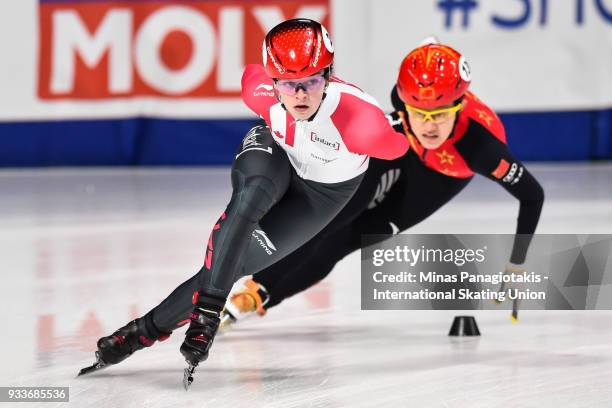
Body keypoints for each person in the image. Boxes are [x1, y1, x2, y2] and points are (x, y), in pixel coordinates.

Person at [78, 19, 409, 387]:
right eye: (287, 83)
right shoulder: (261, 92)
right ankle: (208, 315)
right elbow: (251, 75)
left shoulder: (360, 124)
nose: (299, 95)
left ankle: (140, 333)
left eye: (311, 81)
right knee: (250, 195)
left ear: (329, 76)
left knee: (230, 264)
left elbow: (399, 147)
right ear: (273, 82)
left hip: (323, 194)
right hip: (278, 156)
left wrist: (389, 126)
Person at [222, 40, 545, 326]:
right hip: (401, 145)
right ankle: (237, 276)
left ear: (458, 107)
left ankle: (258, 295)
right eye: (419, 113)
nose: (429, 127)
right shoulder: (405, 106)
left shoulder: (481, 149)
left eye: (441, 115)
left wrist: (516, 264)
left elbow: (533, 196)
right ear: (404, 104)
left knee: (348, 239)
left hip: (441, 177)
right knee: (332, 214)